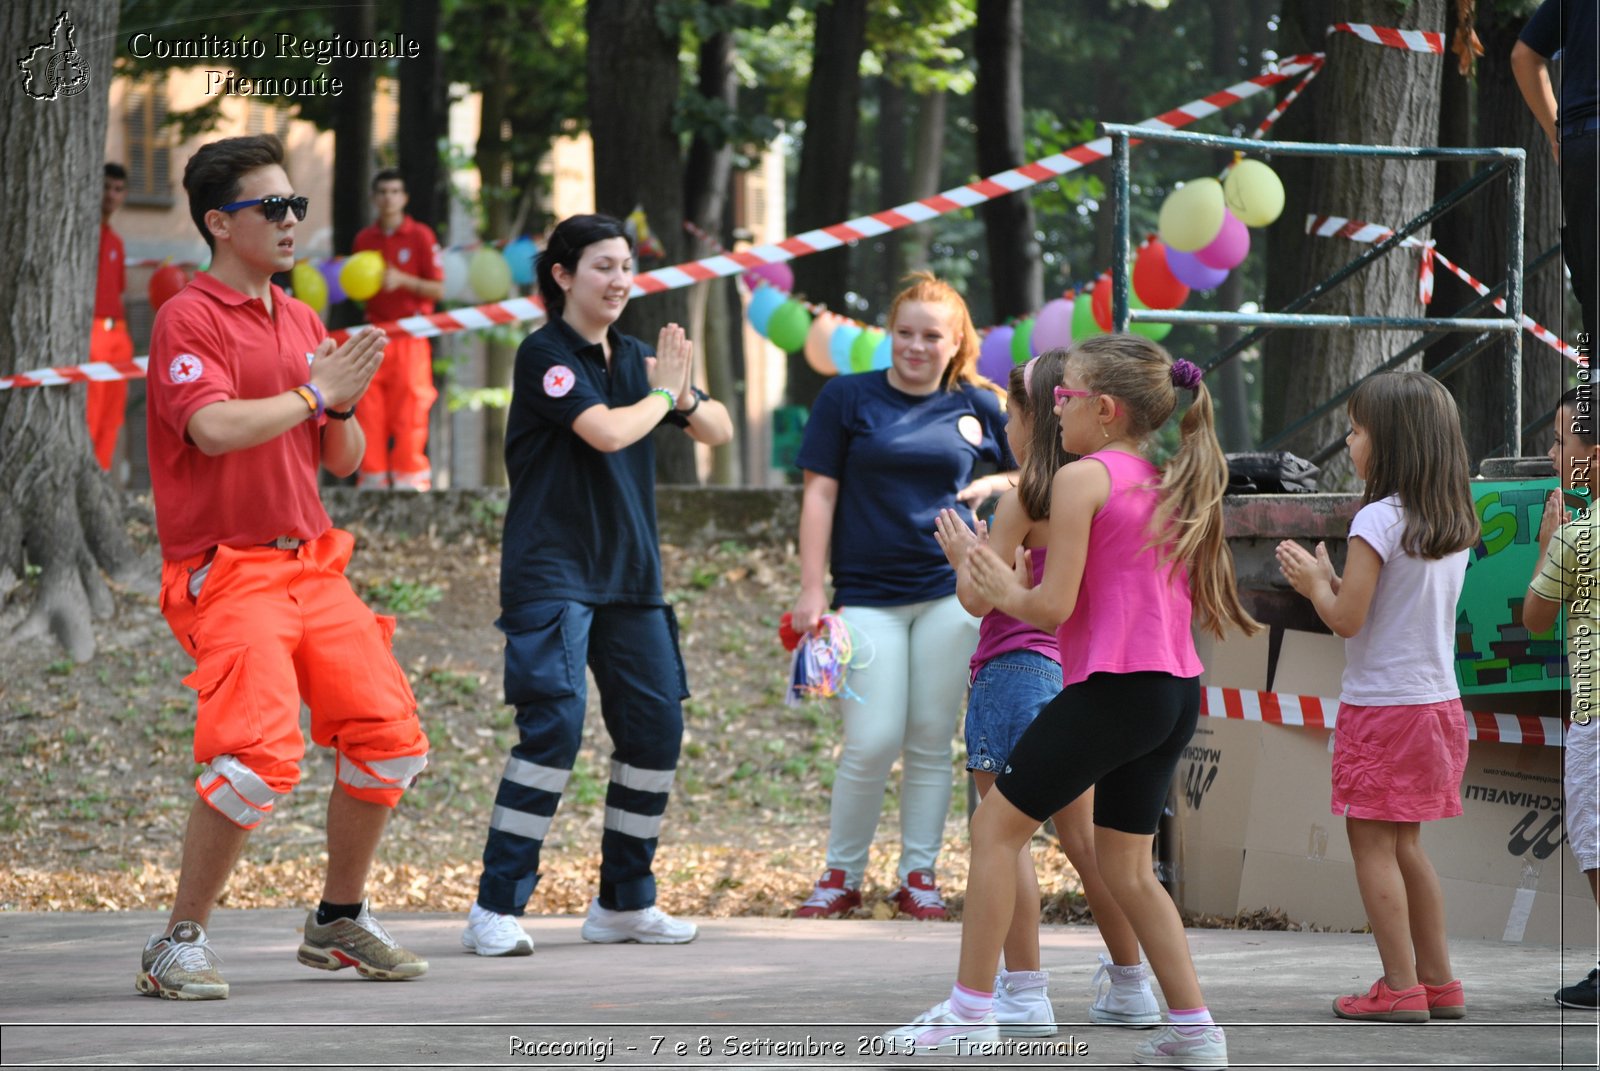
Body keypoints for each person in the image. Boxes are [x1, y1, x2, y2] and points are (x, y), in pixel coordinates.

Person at [888, 334, 1258, 1068]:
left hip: (1117, 690)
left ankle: (970, 1010)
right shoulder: (1164, 475)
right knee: (1126, 867)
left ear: (1105, 407)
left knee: (995, 831)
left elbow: (1053, 607)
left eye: (1065, 397)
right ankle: (1195, 1029)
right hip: (1174, 692)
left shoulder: (1082, 478)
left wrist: (996, 586)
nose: (1055, 408)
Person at [138, 133, 431, 1001]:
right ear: (222, 223)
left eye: (296, 205)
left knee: (389, 739)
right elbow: (213, 428)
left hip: (313, 564)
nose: (292, 219)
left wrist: (338, 400)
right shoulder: (186, 316)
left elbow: (340, 456)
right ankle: (177, 940)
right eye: (274, 206)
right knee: (258, 755)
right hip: (226, 571)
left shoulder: (302, 317)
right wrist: (313, 393)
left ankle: (339, 917)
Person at [460, 213, 732, 957]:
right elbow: (608, 431)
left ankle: (624, 900)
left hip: (631, 578)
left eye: (625, 267)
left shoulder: (640, 358)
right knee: (553, 726)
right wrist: (666, 398)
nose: (618, 280)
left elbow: (722, 430)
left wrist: (679, 397)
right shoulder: (545, 354)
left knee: (655, 731)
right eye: (602, 266)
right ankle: (495, 904)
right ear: (563, 276)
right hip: (552, 574)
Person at [933, 349, 1158, 1036]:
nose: (1005, 423)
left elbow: (980, 599)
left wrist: (962, 555)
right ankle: (1132, 982)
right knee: (1089, 845)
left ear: (1037, 418)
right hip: (1078, 677)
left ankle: (1024, 988)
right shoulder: (1113, 487)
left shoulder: (1024, 500)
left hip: (1011, 673)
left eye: (1011, 411)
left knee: (1004, 837)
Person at [789, 273, 1015, 921]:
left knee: (928, 736)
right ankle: (841, 873)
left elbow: (1038, 469)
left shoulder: (978, 404)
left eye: (930, 336)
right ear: (890, 335)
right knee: (871, 737)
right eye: (904, 333)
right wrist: (810, 587)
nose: (915, 346)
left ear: (956, 342)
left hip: (953, 591)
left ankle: (919, 874)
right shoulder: (846, 397)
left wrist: (995, 479)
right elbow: (819, 493)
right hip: (865, 593)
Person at [1276, 371, 1478, 1025]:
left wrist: (1315, 581)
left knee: (1370, 845)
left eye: (1357, 429)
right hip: (1436, 706)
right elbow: (1389, 608)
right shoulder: (1451, 519)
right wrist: (1333, 580)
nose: (1349, 439)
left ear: (1390, 442)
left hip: (1382, 710)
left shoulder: (1376, 519)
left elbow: (1347, 618)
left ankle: (1397, 986)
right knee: (1408, 846)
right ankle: (1438, 980)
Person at [1524, 383, 1600, 1009]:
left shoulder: (1578, 536)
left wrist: (1552, 540)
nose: (1552, 455)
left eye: (1560, 440)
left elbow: (1534, 617)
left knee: (1595, 835)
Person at [351, 169, 445, 491]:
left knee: (410, 407)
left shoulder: (420, 235)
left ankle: (410, 480)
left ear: (404, 198)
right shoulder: (364, 240)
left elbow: (438, 289)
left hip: (410, 334)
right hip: (374, 333)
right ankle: (373, 479)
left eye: (395, 191)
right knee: (369, 408)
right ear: (374, 199)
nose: (389, 198)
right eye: (383, 192)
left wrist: (403, 281)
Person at [1512, 0, 1598, 344]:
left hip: (1584, 143)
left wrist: (1556, 133)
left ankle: (1591, 393)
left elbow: (1524, 56)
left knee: (1593, 294)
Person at [87, 163, 133, 472]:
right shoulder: (81, 236)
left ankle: (99, 474)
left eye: (117, 189)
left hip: (118, 332)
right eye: (105, 187)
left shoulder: (116, 241)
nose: (110, 195)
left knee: (113, 414)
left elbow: (118, 291)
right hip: (92, 330)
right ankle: (85, 470)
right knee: (91, 408)